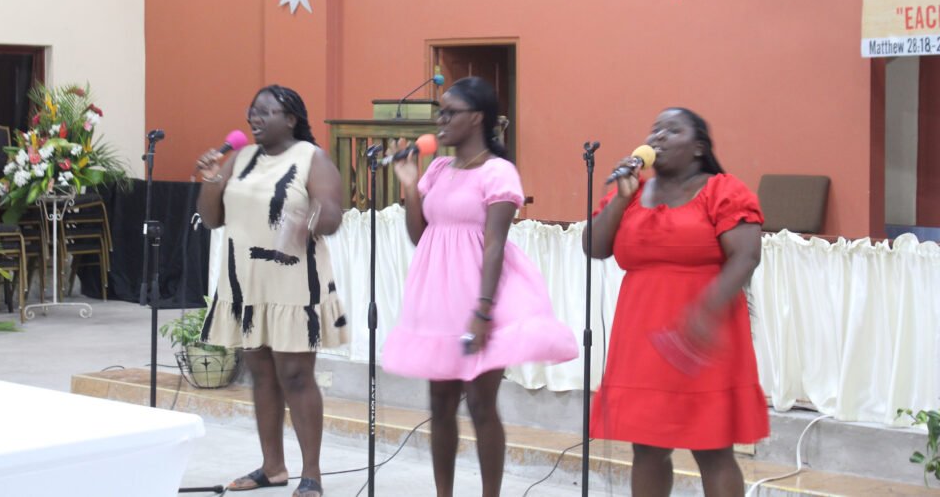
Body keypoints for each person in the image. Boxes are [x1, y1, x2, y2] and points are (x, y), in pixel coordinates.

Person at [382, 76, 578, 497]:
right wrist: (409, 184)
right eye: (440, 111)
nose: (441, 120)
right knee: (440, 406)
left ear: (476, 117)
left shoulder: (498, 172)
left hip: (481, 295)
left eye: (449, 112)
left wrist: (483, 308)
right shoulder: (437, 169)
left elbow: (494, 245)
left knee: (480, 405)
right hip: (438, 298)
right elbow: (421, 236)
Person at [584, 107, 768, 497]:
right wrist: (621, 197)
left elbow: (747, 256)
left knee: (712, 448)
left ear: (699, 146)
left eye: (672, 130)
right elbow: (594, 247)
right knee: (647, 449)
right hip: (643, 338)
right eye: (655, 130)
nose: (658, 137)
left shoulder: (723, 190)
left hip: (704, 333)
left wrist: (705, 314)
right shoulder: (632, 194)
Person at [196, 85, 347, 497]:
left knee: (296, 375)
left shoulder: (311, 158)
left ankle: (311, 474)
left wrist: (310, 220)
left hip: (294, 283)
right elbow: (211, 219)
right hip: (246, 281)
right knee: (260, 373)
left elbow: (332, 213)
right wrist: (211, 181)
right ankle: (272, 468)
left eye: (265, 111)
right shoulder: (240, 159)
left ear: (291, 118)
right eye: (252, 111)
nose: (254, 118)